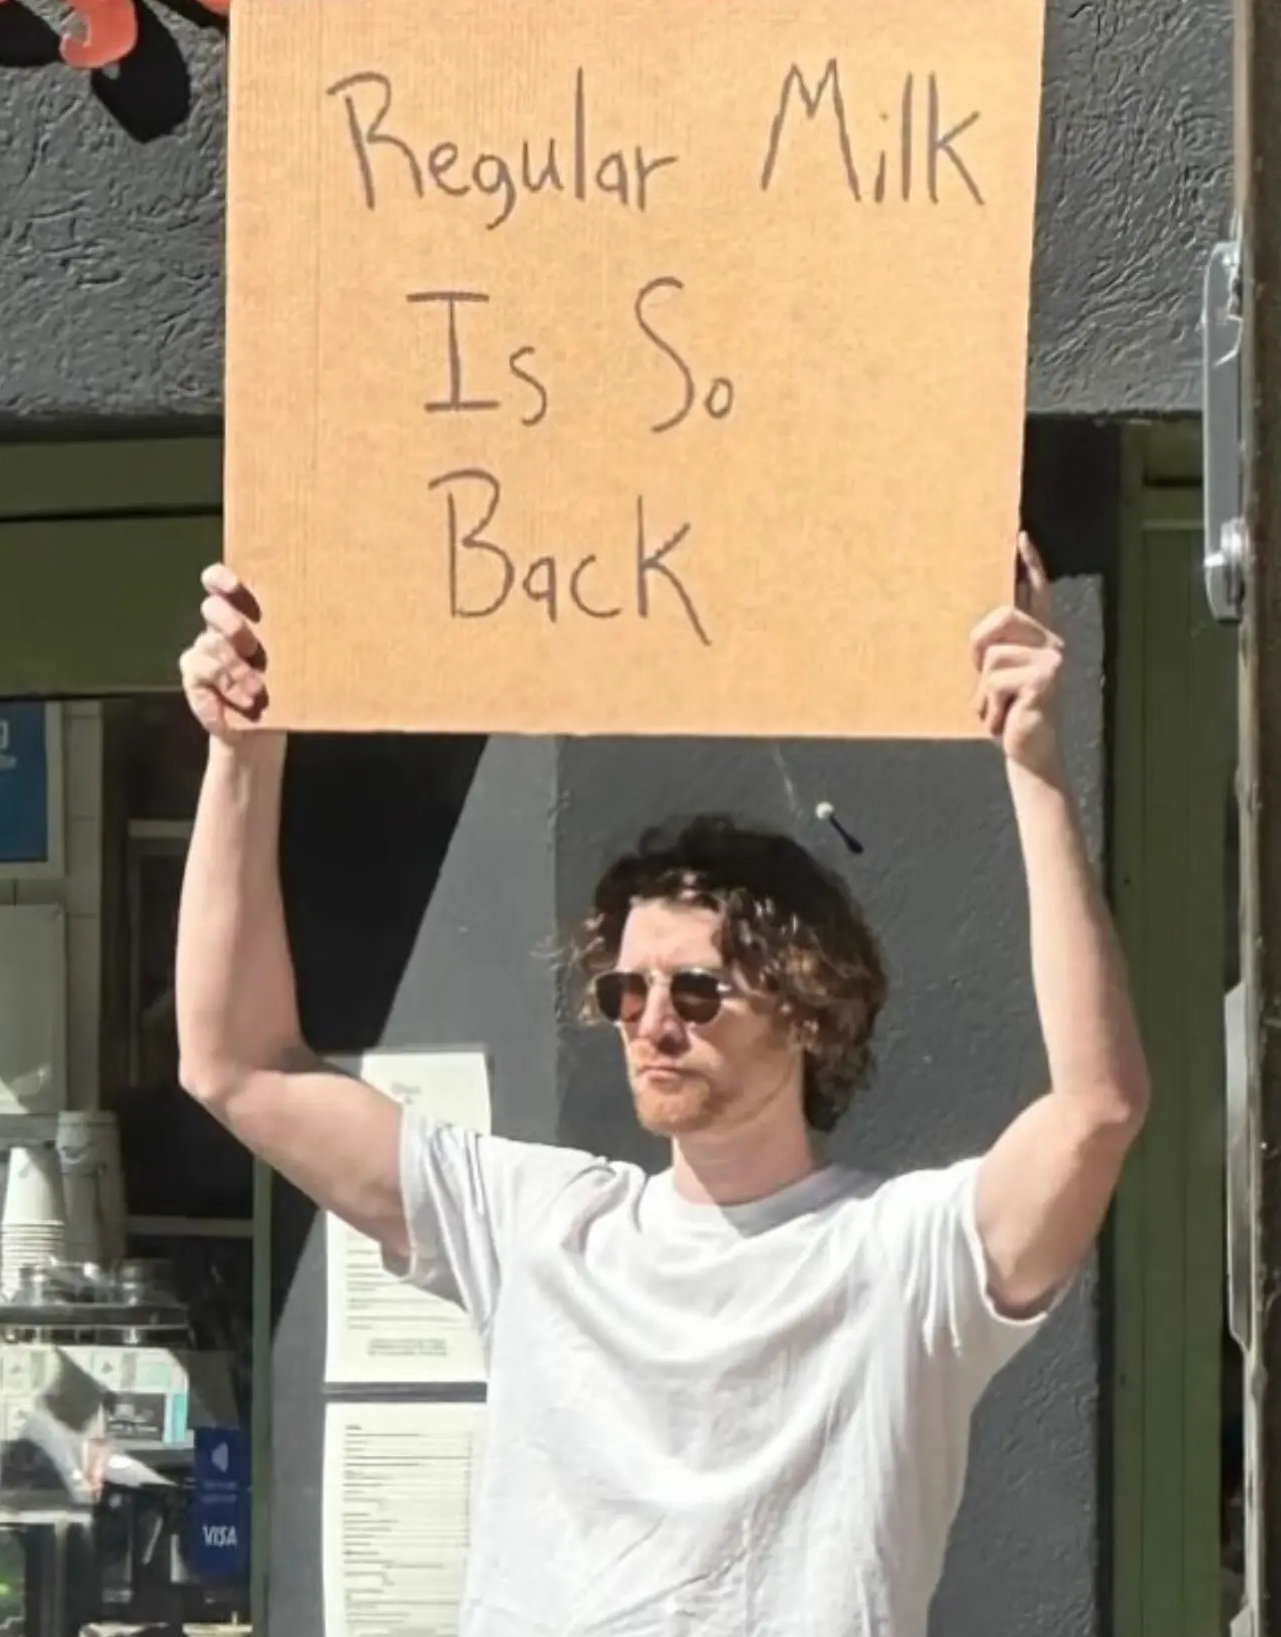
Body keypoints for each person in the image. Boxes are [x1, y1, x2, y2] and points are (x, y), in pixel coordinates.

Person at [175, 531, 1149, 1637]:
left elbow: (1095, 1111)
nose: (649, 1022)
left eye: (694, 991)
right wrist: (239, 752)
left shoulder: (901, 1258)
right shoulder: (539, 1227)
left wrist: (1032, 763)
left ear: (808, 1010)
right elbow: (235, 1065)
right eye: (623, 993)